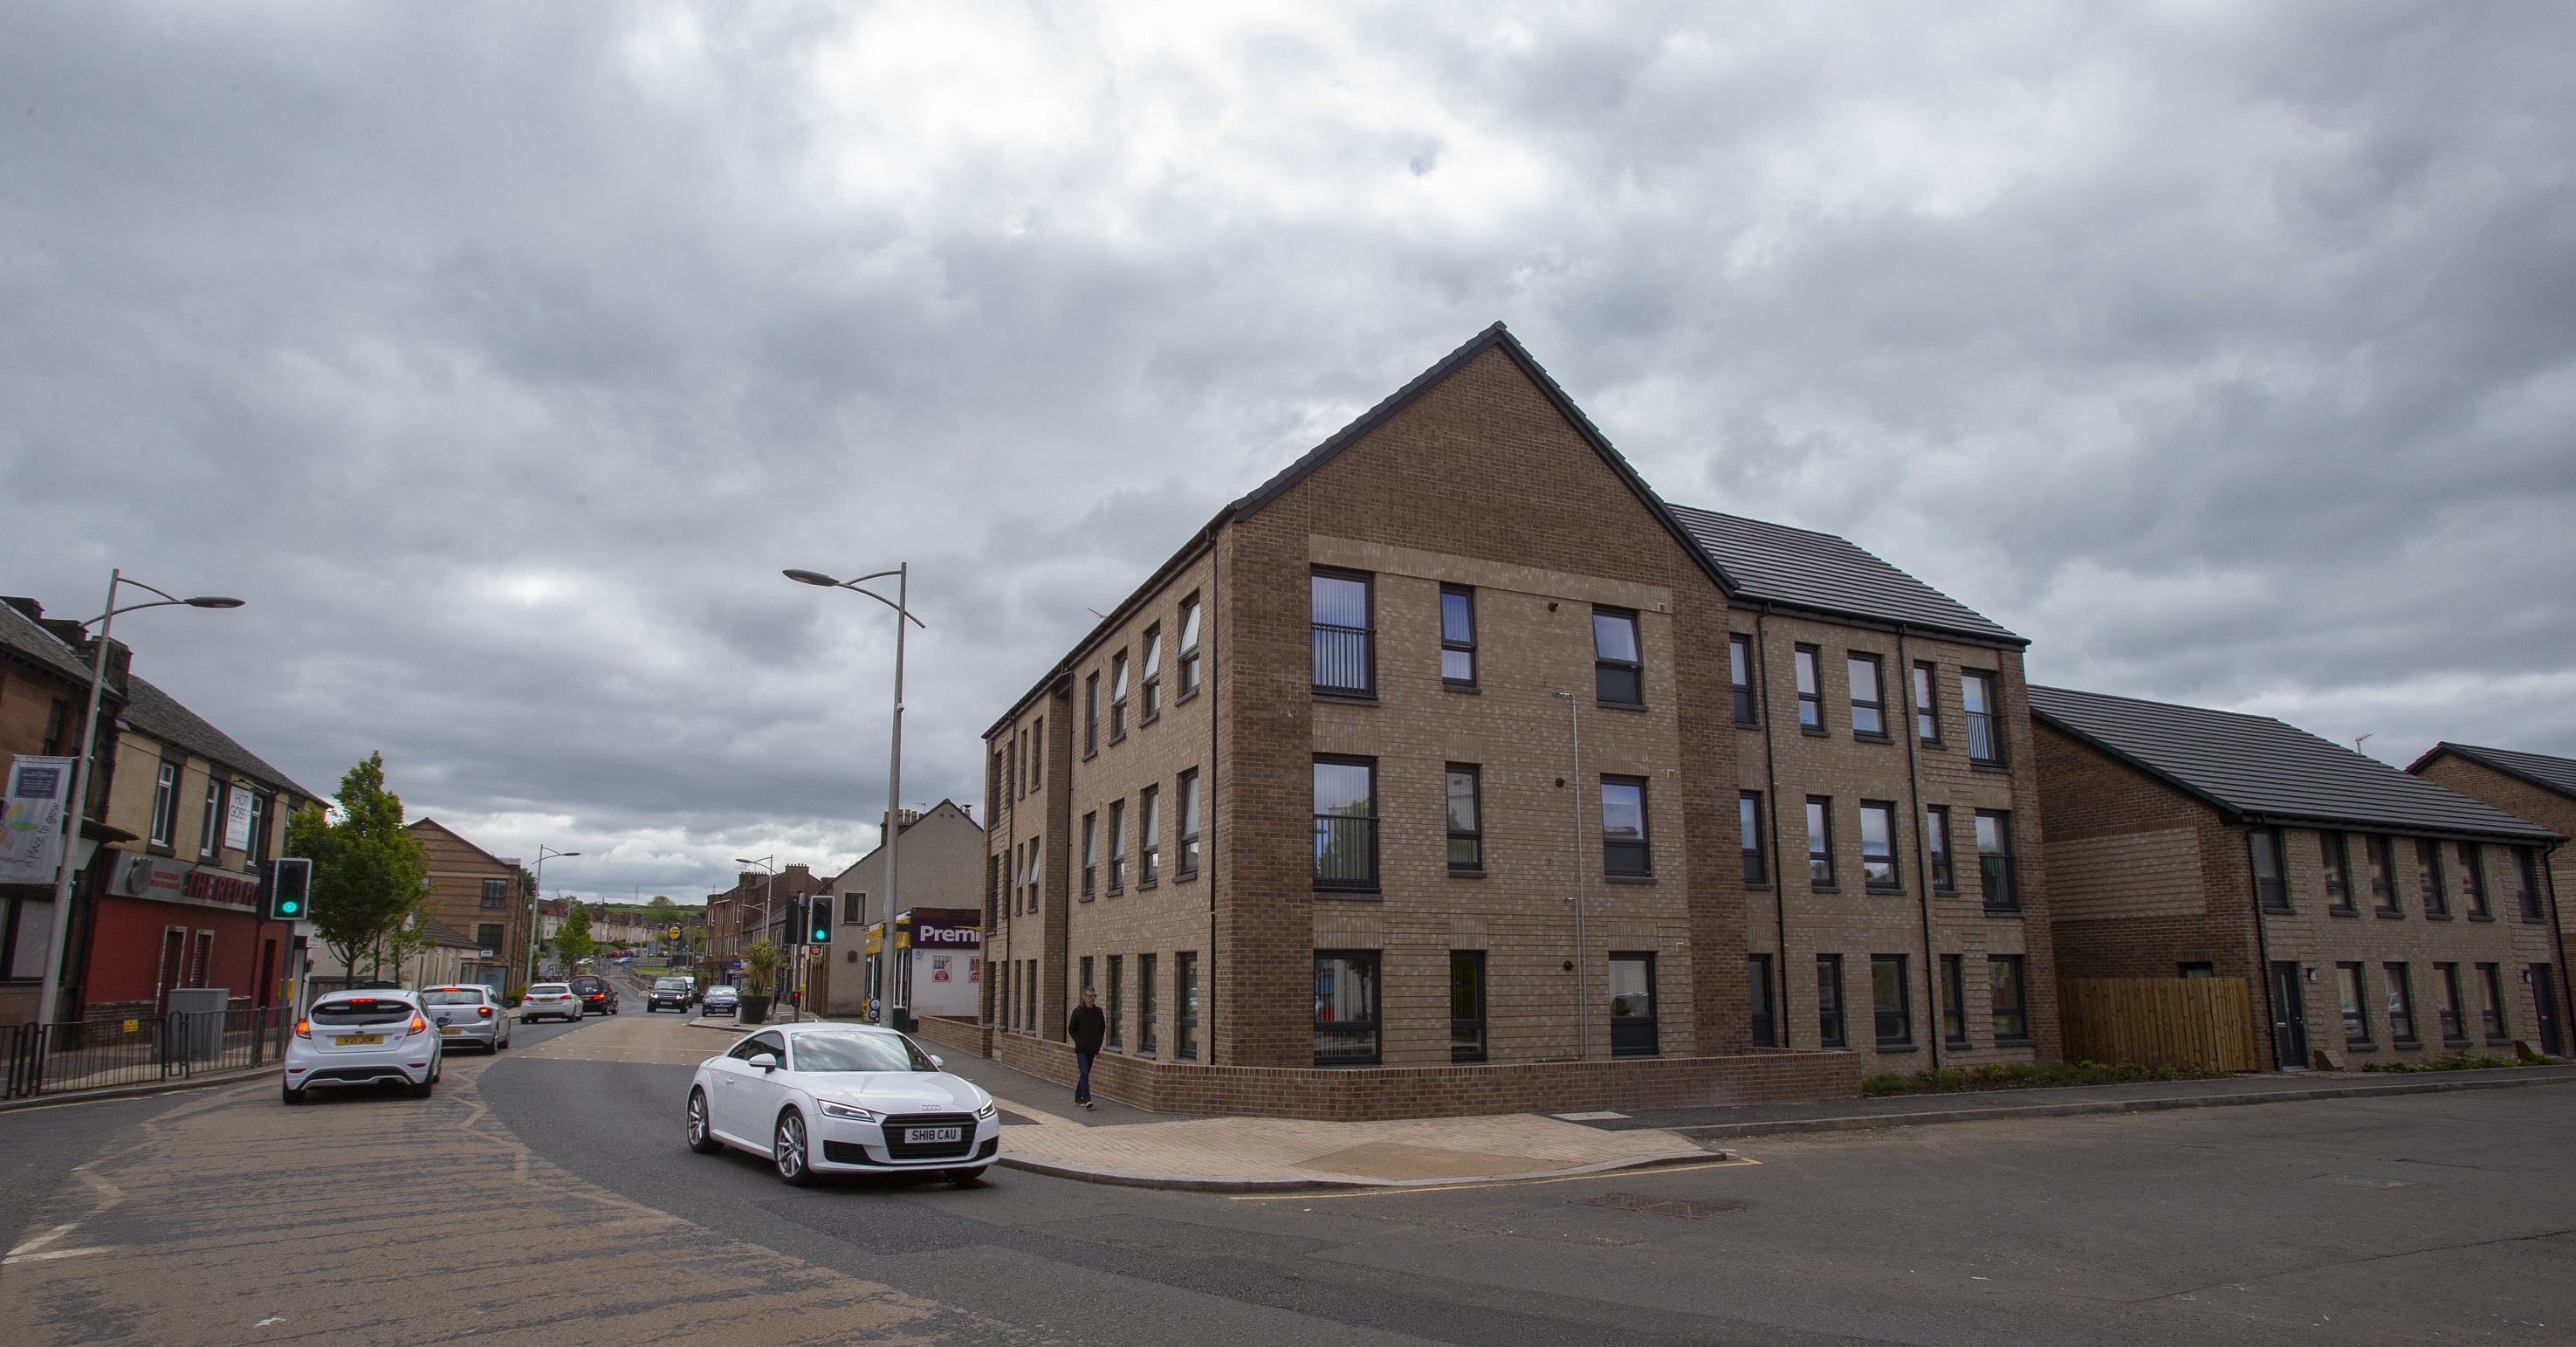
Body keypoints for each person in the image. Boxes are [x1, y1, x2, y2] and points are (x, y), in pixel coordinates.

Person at [1066, 986, 1106, 1110]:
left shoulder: (1098, 1012)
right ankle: (1087, 1099)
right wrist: (1080, 1042)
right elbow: (1072, 1029)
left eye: (1094, 996)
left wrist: (1098, 1044)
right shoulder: (1078, 1011)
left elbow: (1102, 1028)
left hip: (1092, 1048)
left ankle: (1078, 1097)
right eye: (1090, 996)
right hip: (1081, 1049)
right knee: (1084, 1071)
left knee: (1086, 1072)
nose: (1092, 998)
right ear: (1084, 997)